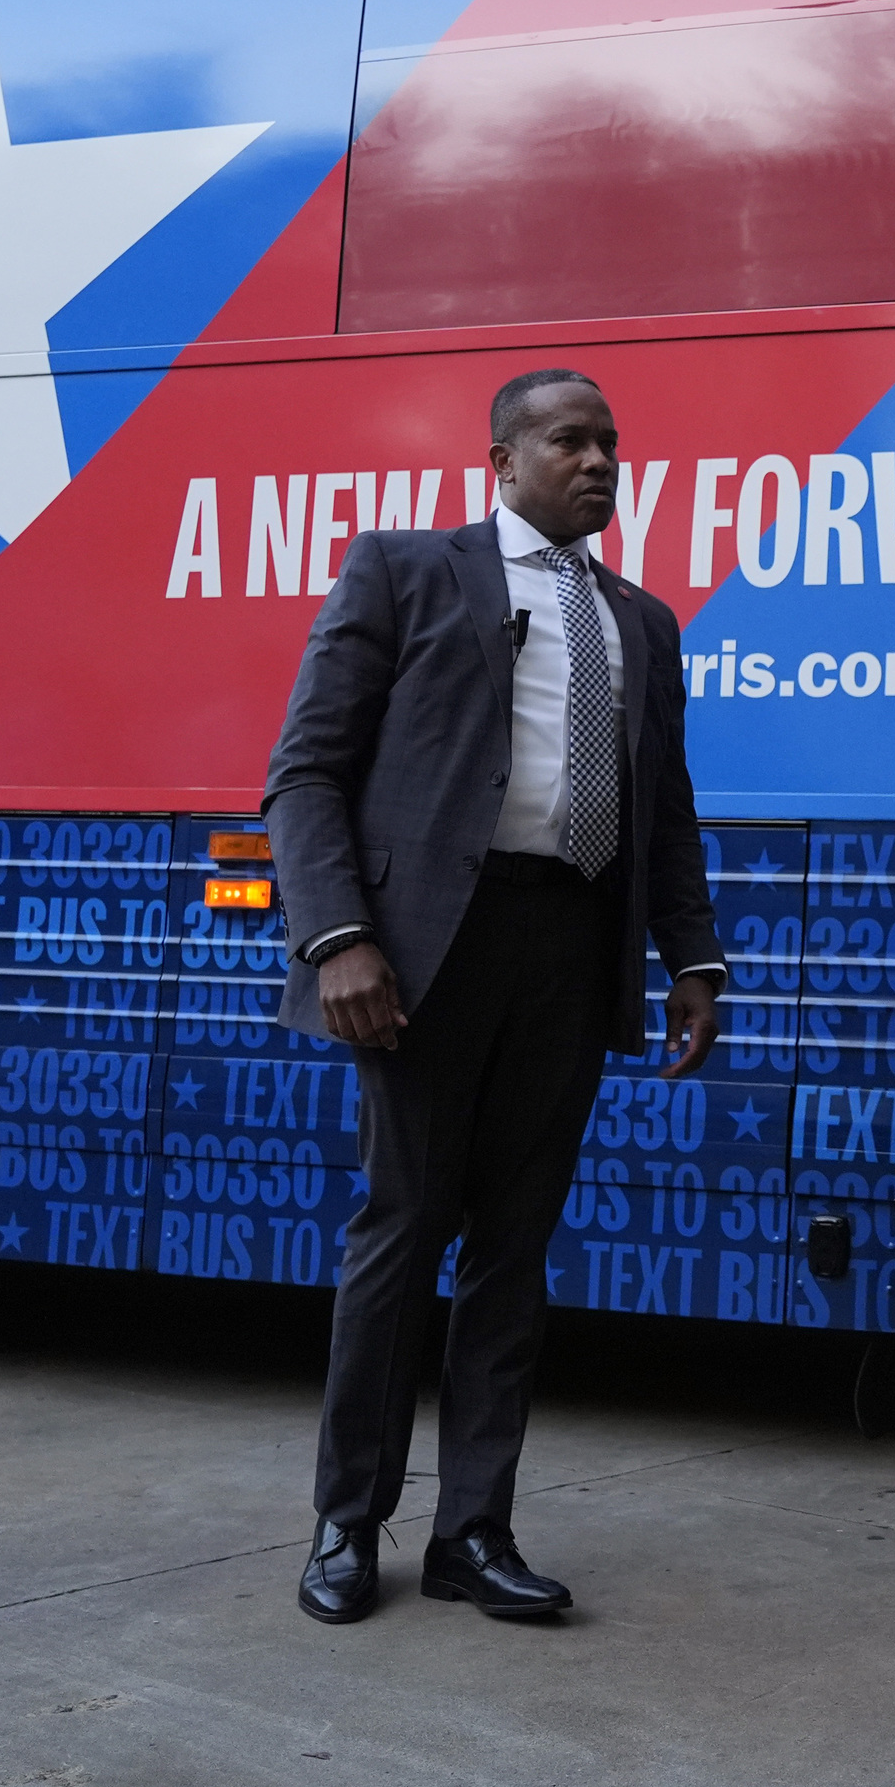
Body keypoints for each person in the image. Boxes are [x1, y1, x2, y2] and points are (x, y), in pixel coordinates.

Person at [270, 367, 725, 1627]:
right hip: (425, 954)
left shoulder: (644, 622)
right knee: (404, 1227)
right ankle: (346, 1526)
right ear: (502, 460)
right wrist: (340, 941)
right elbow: (306, 774)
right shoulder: (408, 571)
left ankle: (474, 1529)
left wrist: (693, 957)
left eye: (612, 443)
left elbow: (664, 812)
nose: (599, 461)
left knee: (514, 1252)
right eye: (570, 441)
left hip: (570, 949)